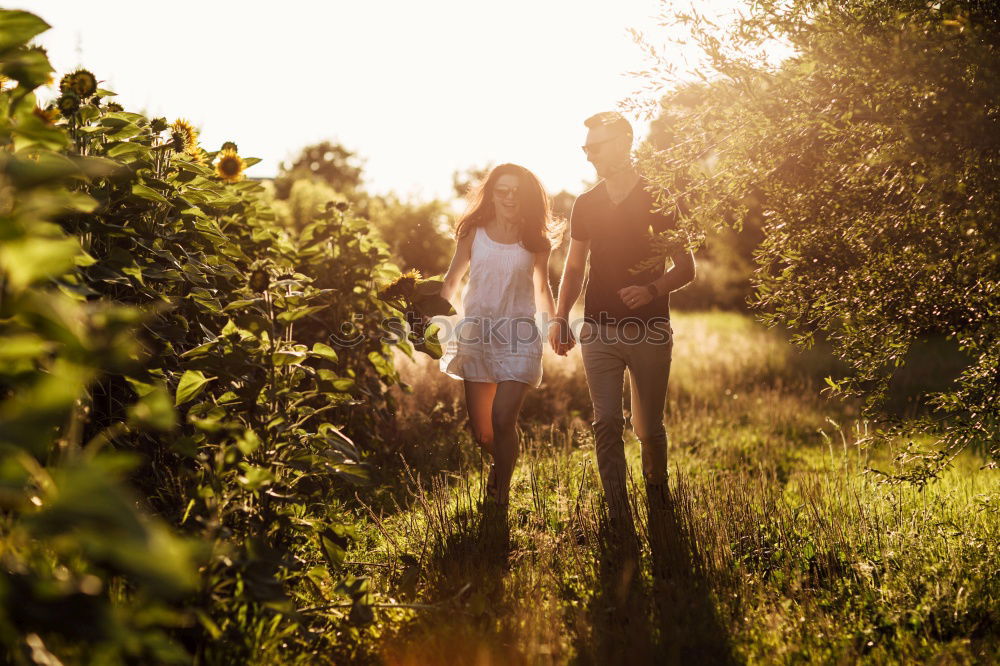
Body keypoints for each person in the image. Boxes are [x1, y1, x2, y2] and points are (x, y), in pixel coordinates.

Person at [549, 111, 695, 532]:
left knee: (647, 427)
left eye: (596, 146)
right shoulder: (587, 203)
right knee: (607, 420)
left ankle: (657, 496)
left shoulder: (660, 196)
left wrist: (651, 291)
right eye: (586, 147)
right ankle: (617, 511)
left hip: (650, 329)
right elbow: (574, 268)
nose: (589, 155)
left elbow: (687, 268)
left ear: (623, 143)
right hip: (598, 328)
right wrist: (561, 317)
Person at [437, 163, 560, 510]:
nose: (508, 197)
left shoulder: (536, 239)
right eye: (501, 190)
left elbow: (541, 285)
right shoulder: (473, 231)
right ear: (491, 194)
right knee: (484, 433)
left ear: (527, 197)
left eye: (516, 192)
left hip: (520, 333)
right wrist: (429, 319)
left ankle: (500, 497)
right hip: (477, 333)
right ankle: (501, 461)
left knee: (504, 417)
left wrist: (555, 323)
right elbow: (451, 281)